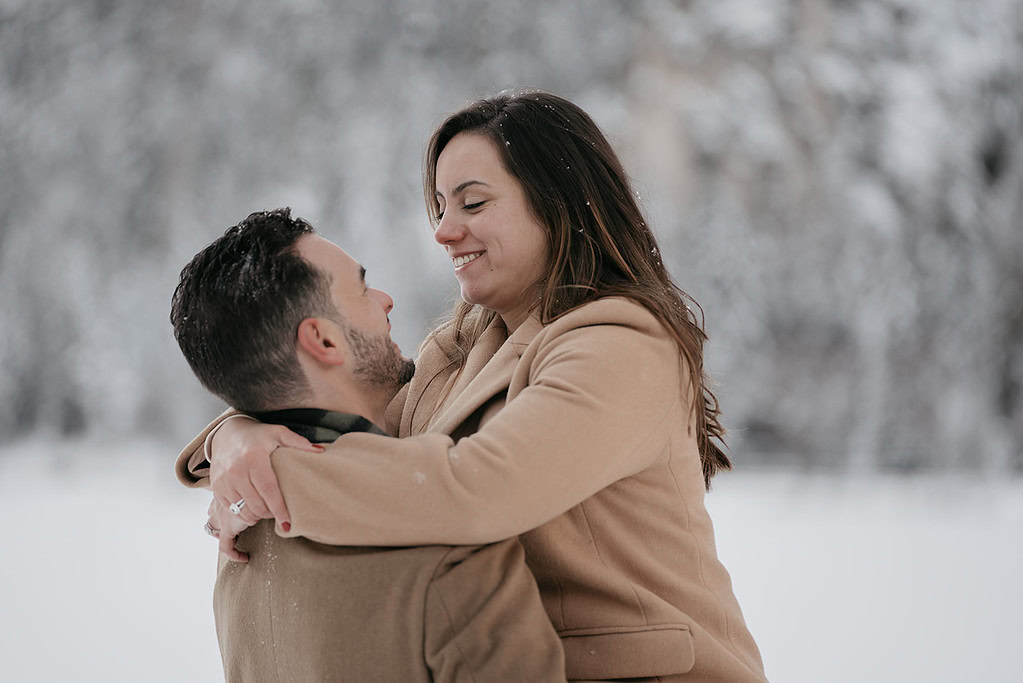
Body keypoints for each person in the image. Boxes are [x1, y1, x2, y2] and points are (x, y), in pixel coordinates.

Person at [178, 92, 768, 682]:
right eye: (439, 206)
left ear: (556, 204)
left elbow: (476, 489)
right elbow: (346, 427)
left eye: (473, 203)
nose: (443, 230)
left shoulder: (623, 345)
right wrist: (235, 434)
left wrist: (273, 479)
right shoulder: (458, 350)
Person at [170, 208, 566, 682]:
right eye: (361, 289)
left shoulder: (243, 527)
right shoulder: (442, 540)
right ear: (323, 340)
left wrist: (230, 433)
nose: (386, 299)